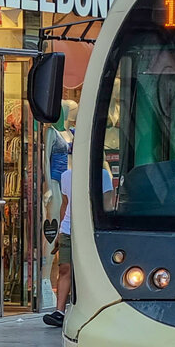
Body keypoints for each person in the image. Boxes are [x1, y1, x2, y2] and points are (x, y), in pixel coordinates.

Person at [44, 140, 116, 328]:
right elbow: (65, 204)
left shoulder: (102, 176)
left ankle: (92, 308)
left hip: (92, 230)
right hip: (69, 228)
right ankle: (59, 310)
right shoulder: (67, 176)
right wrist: (60, 230)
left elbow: (108, 204)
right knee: (65, 268)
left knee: (89, 270)